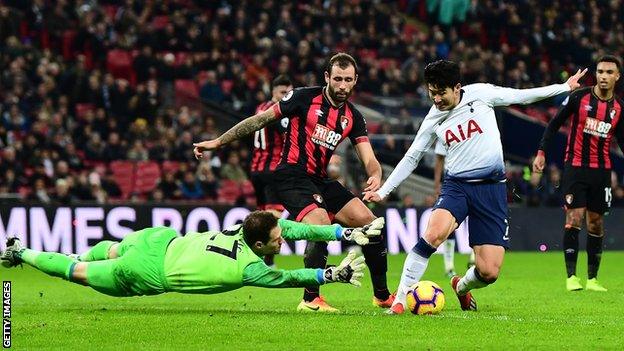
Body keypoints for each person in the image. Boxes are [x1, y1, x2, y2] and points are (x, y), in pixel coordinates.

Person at [363, 59, 586, 313]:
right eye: (431, 92)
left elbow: (521, 96)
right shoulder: (433, 118)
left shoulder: (481, 94)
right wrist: (383, 191)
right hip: (457, 186)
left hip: (491, 189)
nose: (435, 98)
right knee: (433, 234)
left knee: (489, 271)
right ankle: (401, 300)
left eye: (441, 92)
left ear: (457, 87)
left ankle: (461, 286)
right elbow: (412, 157)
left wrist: (563, 87)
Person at [193, 53, 392, 312]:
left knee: (371, 224)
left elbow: (369, 158)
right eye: (338, 79)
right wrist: (219, 142)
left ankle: (382, 296)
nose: (343, 85)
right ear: (327, 78)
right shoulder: (303, 97)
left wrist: (375, 175)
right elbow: (260, 120)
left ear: (355, 81)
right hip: (291, 176)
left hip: (320, 180)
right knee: (319, 223)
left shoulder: (353, 116)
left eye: (348, 80)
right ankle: (310, 299)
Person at [1, 211, 384, 299]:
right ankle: (22, 252)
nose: (282, 242)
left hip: (158, 239)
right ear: (261, 245)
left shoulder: (242, 227)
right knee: (75, 271)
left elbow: (296, 229)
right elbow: (287, 278)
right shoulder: (249, 268)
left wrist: (342, 231)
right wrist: (328, 275)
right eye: (276, 240)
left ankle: (80, 252)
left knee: (110, 249)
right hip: (147, 271)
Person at [533, 55, 623, 292]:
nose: (603, 76)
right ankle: (571, 276)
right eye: (600, 71)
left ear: (616, 77)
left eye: (608, 72)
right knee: (574, 218)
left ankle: (593, 278)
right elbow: (553, 124)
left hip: (602, 171)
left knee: (596, 223)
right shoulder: (579, 97)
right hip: (575, 168)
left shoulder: (618, 108)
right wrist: (541, 152)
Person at [249, 75, 293, 268]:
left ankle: (253, 258)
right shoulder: (278, 112)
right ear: (273, 92)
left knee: (260, 217)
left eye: (289, 93)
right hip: (273, 170)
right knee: (273, 217)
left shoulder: (260, 107)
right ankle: (269, 262)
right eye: (283, 93)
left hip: (256, 169)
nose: (286, 96)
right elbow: (289, 137)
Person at [432, 140, 476, 277]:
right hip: (452, 182)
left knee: (476, 217)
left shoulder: (474, 129)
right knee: (449, 221)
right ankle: (449, 266)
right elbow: (439, 159)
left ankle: (474, 258)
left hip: (474, 179)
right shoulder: (445, 131)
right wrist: (437, 184)